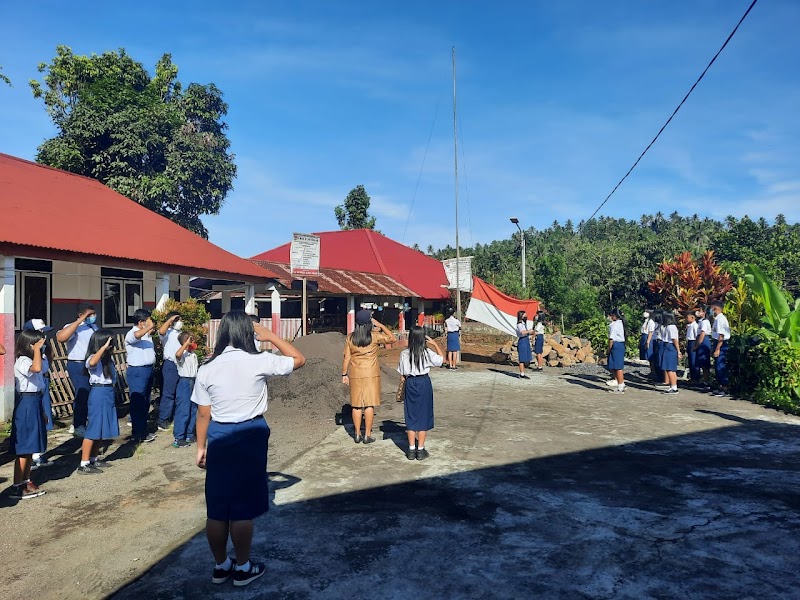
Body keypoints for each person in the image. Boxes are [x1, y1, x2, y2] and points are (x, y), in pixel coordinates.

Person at [192, 310, 305, 587]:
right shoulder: (259, 361)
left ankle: (221, 566)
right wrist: (271, 337)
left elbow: (203, 414)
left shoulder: (207, 367)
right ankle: (243, 568)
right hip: (249, 433)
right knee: (242, 508)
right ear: (248, 332)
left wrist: (200, 447)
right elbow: (299, 359)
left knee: (217, 508)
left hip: (218, 433)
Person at [342, 310, 396, 444]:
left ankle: (357, 434)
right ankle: (367, 434)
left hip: (355, 373)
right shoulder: (374, 336)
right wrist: (381, 325)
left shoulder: (350, 337)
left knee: (356, 405)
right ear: (368, 323)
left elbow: (347, 357)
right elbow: (392, 338)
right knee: (369, 405)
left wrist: (344, 374)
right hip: (371, 373)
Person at [10, 329, 48, 499]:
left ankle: (26, 480)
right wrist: (37, 350)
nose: (42, 345)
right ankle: (18, 485)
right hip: (26, 402)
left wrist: (43, 411)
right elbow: (37, 368)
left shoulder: (33, 358)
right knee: (24, 447)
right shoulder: (22, 360)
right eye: (39, 343)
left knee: (32, 445)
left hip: (35, 401)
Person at [397, 327, 444, 460]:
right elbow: (442, 360)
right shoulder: (427, 353)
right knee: (423, 415)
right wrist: (435, 344)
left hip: (410, 383)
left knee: (411, 415)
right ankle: (421, 449)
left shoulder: (404, 354)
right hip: (423, 383)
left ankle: (411, 450)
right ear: (424, 338)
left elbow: (402, 375)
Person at [76, 330, 119, 474]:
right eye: (108, 342)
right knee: (93, 428)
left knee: (101, 428)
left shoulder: (107, 360)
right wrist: (103, 348)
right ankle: (84, 462)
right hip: (98, 392)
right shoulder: (92, 358)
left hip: (107, 392)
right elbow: (93, 362)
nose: (110, 346)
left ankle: (93, 458)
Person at [56, 303, 98, 437]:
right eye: (89, 315)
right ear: (81, 315)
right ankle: (78, 425)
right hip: (78, 364)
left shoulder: (93, 327)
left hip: (92, 364)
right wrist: (79, 321)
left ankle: (82, 421)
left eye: (93, 314)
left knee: (91, 394)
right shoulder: (72, 327)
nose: (92, 317)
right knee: (82, 393)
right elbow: (61, 338)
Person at [23, 320, 55, 470]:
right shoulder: (25, 357)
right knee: (34, 424)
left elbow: (47, 364)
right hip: (31, 392)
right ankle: (34, 456)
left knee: (44, 419)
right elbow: (37, 368)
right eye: (40, 332)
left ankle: (39, 454)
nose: (44, 335)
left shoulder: (43, 350)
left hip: (42, 385)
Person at [126, 309, 158, 443]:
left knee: (145, 402)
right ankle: (137, 433)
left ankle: (143, 431)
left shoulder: (147, 335)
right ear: (141, 322)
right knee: (138, 402)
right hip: (137, 371)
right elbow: (136, 336)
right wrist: (149, 327)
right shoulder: (131, 334)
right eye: (148, 321)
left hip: (148, 370)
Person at [173, 331, 199, 448]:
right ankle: (179, 437)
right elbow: (177, 355)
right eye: (191, 340)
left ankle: (189, 434)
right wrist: (185, 344)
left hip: (193, 381)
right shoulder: (182, 354)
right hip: (184, 382)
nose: (193, 342)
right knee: (183, 410)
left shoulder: (193, 354)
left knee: (193, 409)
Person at [157, 311, 183, 431]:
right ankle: (163, 420)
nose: (180, 322)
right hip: (170, 365)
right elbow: (161, 331)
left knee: (178, 393)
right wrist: (170, 320)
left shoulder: (180, 333)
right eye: (178, 320)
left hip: (181, 365)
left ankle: (173, 416)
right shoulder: (167, 333)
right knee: (168, 393)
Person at [710, 300, 731, 397]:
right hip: (717, 342)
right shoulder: (718, 319)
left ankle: (724, 387)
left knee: (720, 366)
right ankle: (720, 387)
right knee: (718, 366)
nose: (711, 311)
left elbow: (721, 336)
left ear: (715, 309)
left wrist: (717, 349)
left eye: (712, 309)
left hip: (721, 344)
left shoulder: (720, 319)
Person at [660, 312, 681, 395]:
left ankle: (674, 387)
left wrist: (678, 350)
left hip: (670, 346)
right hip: (668, 346)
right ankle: (672, 386)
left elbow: (674, 339)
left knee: (670, 368)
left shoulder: (671, 327)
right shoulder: (669, 327)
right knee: (670, 368)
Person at [607, 308, 626, 394]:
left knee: (618, 366)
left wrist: (608, 349)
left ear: (614, 316)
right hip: (620, 345)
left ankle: (621, 386)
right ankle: (620, 384)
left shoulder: (614, 325)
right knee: (614, 366)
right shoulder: (620, 323)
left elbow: (611, 339)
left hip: (616, 345)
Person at [695, 306, 713, 390]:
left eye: (700, 311)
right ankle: (703, 380)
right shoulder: (700, 321)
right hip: (700, 339)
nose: (698, 312)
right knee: (701, 362)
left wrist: (697, 344)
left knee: (704, 362)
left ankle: (706, 382)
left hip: (703, 340)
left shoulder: (705, 322)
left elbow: (702, 333)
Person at [515, 311, 533, 379]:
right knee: (522, 358)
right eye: (525, 315)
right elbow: (522, 332)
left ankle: (523, 372)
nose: (526, 316)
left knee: (526, 357)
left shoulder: (524, 324)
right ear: (521, 316)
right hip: (522, 340)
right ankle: (522, 374)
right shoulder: (519, 324)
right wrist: (528, 331)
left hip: (526, 340)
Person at [685, 312, 700, 384]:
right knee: (690, 361)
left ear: (692, 317)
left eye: (688, 317)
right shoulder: (690, 325)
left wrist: (696, 346)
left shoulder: (695, 326)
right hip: (689, 342)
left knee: (694, 361)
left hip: (693, 342)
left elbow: (697, 336)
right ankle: (692, 377)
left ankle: (695, 378)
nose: (687, 319)